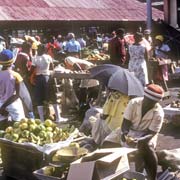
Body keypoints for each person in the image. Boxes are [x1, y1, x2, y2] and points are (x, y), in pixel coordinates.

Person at [121, 83, 164, 180]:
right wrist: (124, 133)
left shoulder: (159, 112)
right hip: (129, 130)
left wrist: (139, 140)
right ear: (144, 97)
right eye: (148, 101)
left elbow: (151, 133)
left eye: (153, 102)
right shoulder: (133, 102)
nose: (149, 104)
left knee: (147, 147)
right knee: (108, 142)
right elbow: (125, 122)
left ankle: (152, 176)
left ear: (156, 102)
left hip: (146, 134)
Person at [31, 44, 67, 122]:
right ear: (45, 50)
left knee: (39, 99)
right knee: (53, 97)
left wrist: (32, 77)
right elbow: (52, 68)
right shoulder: (48, 57)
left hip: (38, 78)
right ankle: (58, 118)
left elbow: (32, 69)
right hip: (47, 77)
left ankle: (42, 120)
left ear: (38, 50)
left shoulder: (35, 58)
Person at [0, 49, 25, 129]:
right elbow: (17, 95)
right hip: (14, 104)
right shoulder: (16, 75)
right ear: (12, 61)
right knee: (19, 128)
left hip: (0, 104)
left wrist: (2, 106)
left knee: (2, 130)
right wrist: (5, 106)